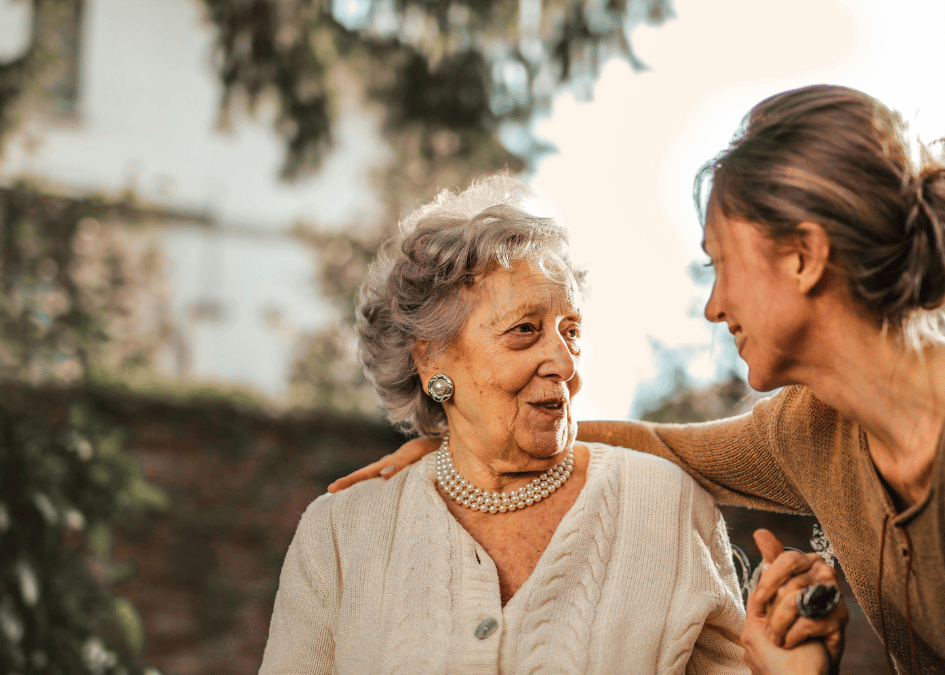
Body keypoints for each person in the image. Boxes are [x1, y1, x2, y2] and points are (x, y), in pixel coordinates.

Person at [330, 85, 945, 674]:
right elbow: (658, 446)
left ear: (804, 255)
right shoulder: (816, 427)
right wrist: (463, 447)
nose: (714, 305)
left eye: (721, 265)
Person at [261, 175, 784, 674]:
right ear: (432, 360)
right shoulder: (340, 533)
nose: (564, 362)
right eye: (526, 330)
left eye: (571, 331)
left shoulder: (668, 506)